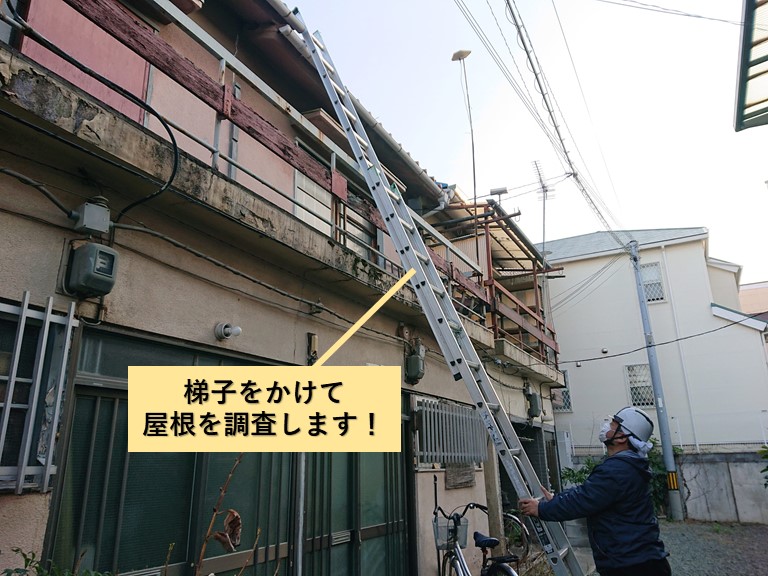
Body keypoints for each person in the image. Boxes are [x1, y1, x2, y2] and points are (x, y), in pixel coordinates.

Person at [518, 406, 671, 576]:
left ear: (622, 437)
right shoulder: (627, 467)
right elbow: (590, 493)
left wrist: (541, 509)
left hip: (632, 566)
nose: (606, 426)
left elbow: (582, 500)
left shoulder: (618, 470)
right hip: (638, 561)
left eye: (612, 425)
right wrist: (556, 498)